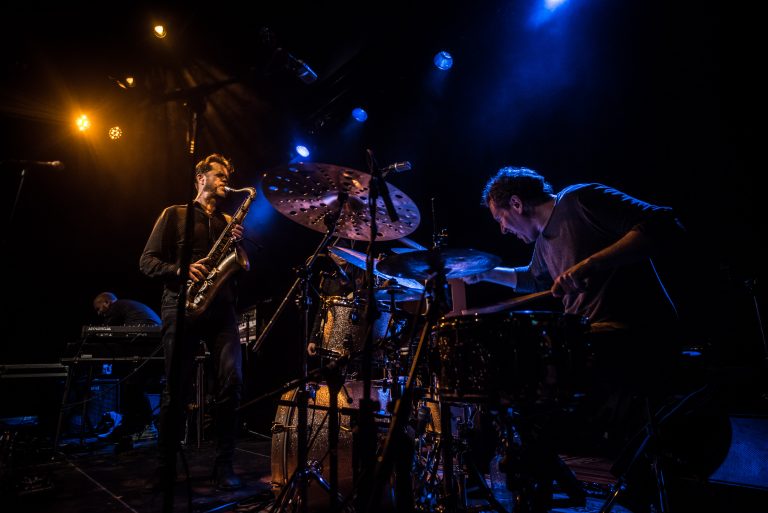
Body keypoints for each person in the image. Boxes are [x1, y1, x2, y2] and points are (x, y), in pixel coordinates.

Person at [461, 166, 688, 510]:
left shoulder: (580, 199)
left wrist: (591, 265)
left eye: (501, 219)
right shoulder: (544, 244)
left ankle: (545, 485)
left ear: (517, 203)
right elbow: (534, 280)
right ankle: (538, 486)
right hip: (593, 341)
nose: (503, 229)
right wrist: (486, 273)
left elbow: (663, 223)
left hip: (635, 335)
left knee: (523, 384)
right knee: (507, 391)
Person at [139, 153, 247, 491]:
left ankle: (224, 464)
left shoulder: (229, 219)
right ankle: (166, 467)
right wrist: (181, 270)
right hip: (181, 305)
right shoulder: (175, 214)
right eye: (218, 175)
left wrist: (235, 246)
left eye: (227, 175)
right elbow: (147, 261)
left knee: (232, 382)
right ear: (200, 177)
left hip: (222, 309)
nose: (224, 181)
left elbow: (233, 268)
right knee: (177, 389)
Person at [93, 291, 162, 326]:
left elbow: (107, 327)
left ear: (107, 302)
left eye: (98, 309)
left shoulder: (115, 305)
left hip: (144, 328)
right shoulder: (124, 304)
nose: (98, 313)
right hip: (156, 329)